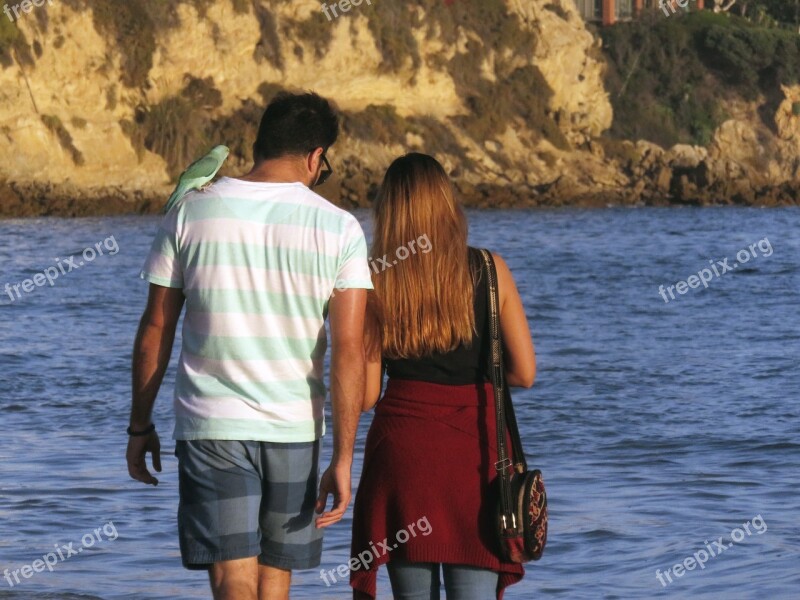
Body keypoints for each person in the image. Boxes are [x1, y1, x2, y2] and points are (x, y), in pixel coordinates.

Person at [126, 92, 373, 600]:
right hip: (295, 427)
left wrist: (140, 424)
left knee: (233, 579)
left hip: (212, 424)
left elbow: (156, 327)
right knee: (273, 579)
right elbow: (351, 350)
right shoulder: (340, 227)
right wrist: (345, 458)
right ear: (314, 156)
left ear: (259, 145)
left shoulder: (191, 211)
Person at [349, 153, 536, 600]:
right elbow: (524, 373)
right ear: (448, 204)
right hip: (474, 455)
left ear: (388, 212)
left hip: (403, 456)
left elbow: (369, 393)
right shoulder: (491, 271)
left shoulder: (376, 279)